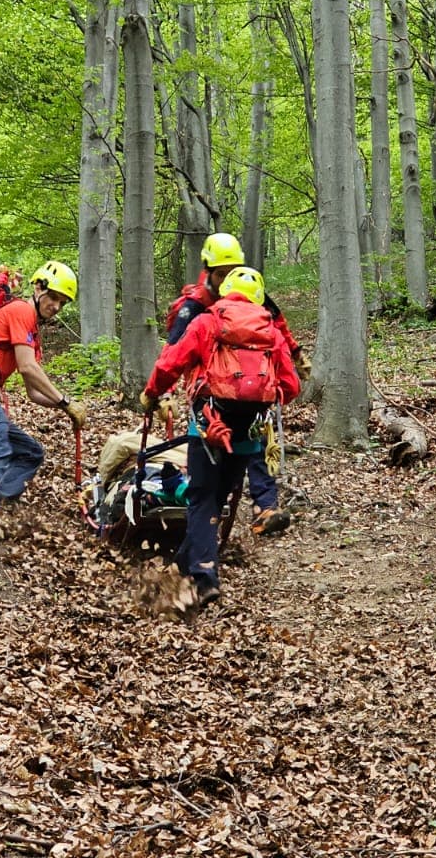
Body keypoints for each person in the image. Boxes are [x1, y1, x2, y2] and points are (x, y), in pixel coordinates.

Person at [140, 266, 300, 607]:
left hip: (209, 425)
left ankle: (204, 575)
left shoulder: (208, 321)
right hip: (249, 431)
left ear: (225, 292)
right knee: (220, 497)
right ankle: (182, 567)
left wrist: (152, 393)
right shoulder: (270, 329)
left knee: (201, 497)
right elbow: (291, 386)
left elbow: (170, 362)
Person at [164, 233, 305, 536]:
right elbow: (172, 351)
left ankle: (264, 505)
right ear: (208, 271)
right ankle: (208, 521)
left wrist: (296, 355)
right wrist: (162, 391)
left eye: (232, 271)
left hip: (248, 383)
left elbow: (275, 325)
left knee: (258, 434)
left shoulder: (249, 292)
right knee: (220, 454)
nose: (228, 278)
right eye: (221, 273)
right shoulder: (194, 307)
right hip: (208, 390)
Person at [0, 260, 88, 519]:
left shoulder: (32, 334)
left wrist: (65, 408)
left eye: (62, 303)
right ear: (38, 288)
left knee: (30, 452)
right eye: (54, 298)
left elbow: (33, 393)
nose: (56, 306)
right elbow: (27, 368)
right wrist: (66, 401)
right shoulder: (22, 311)